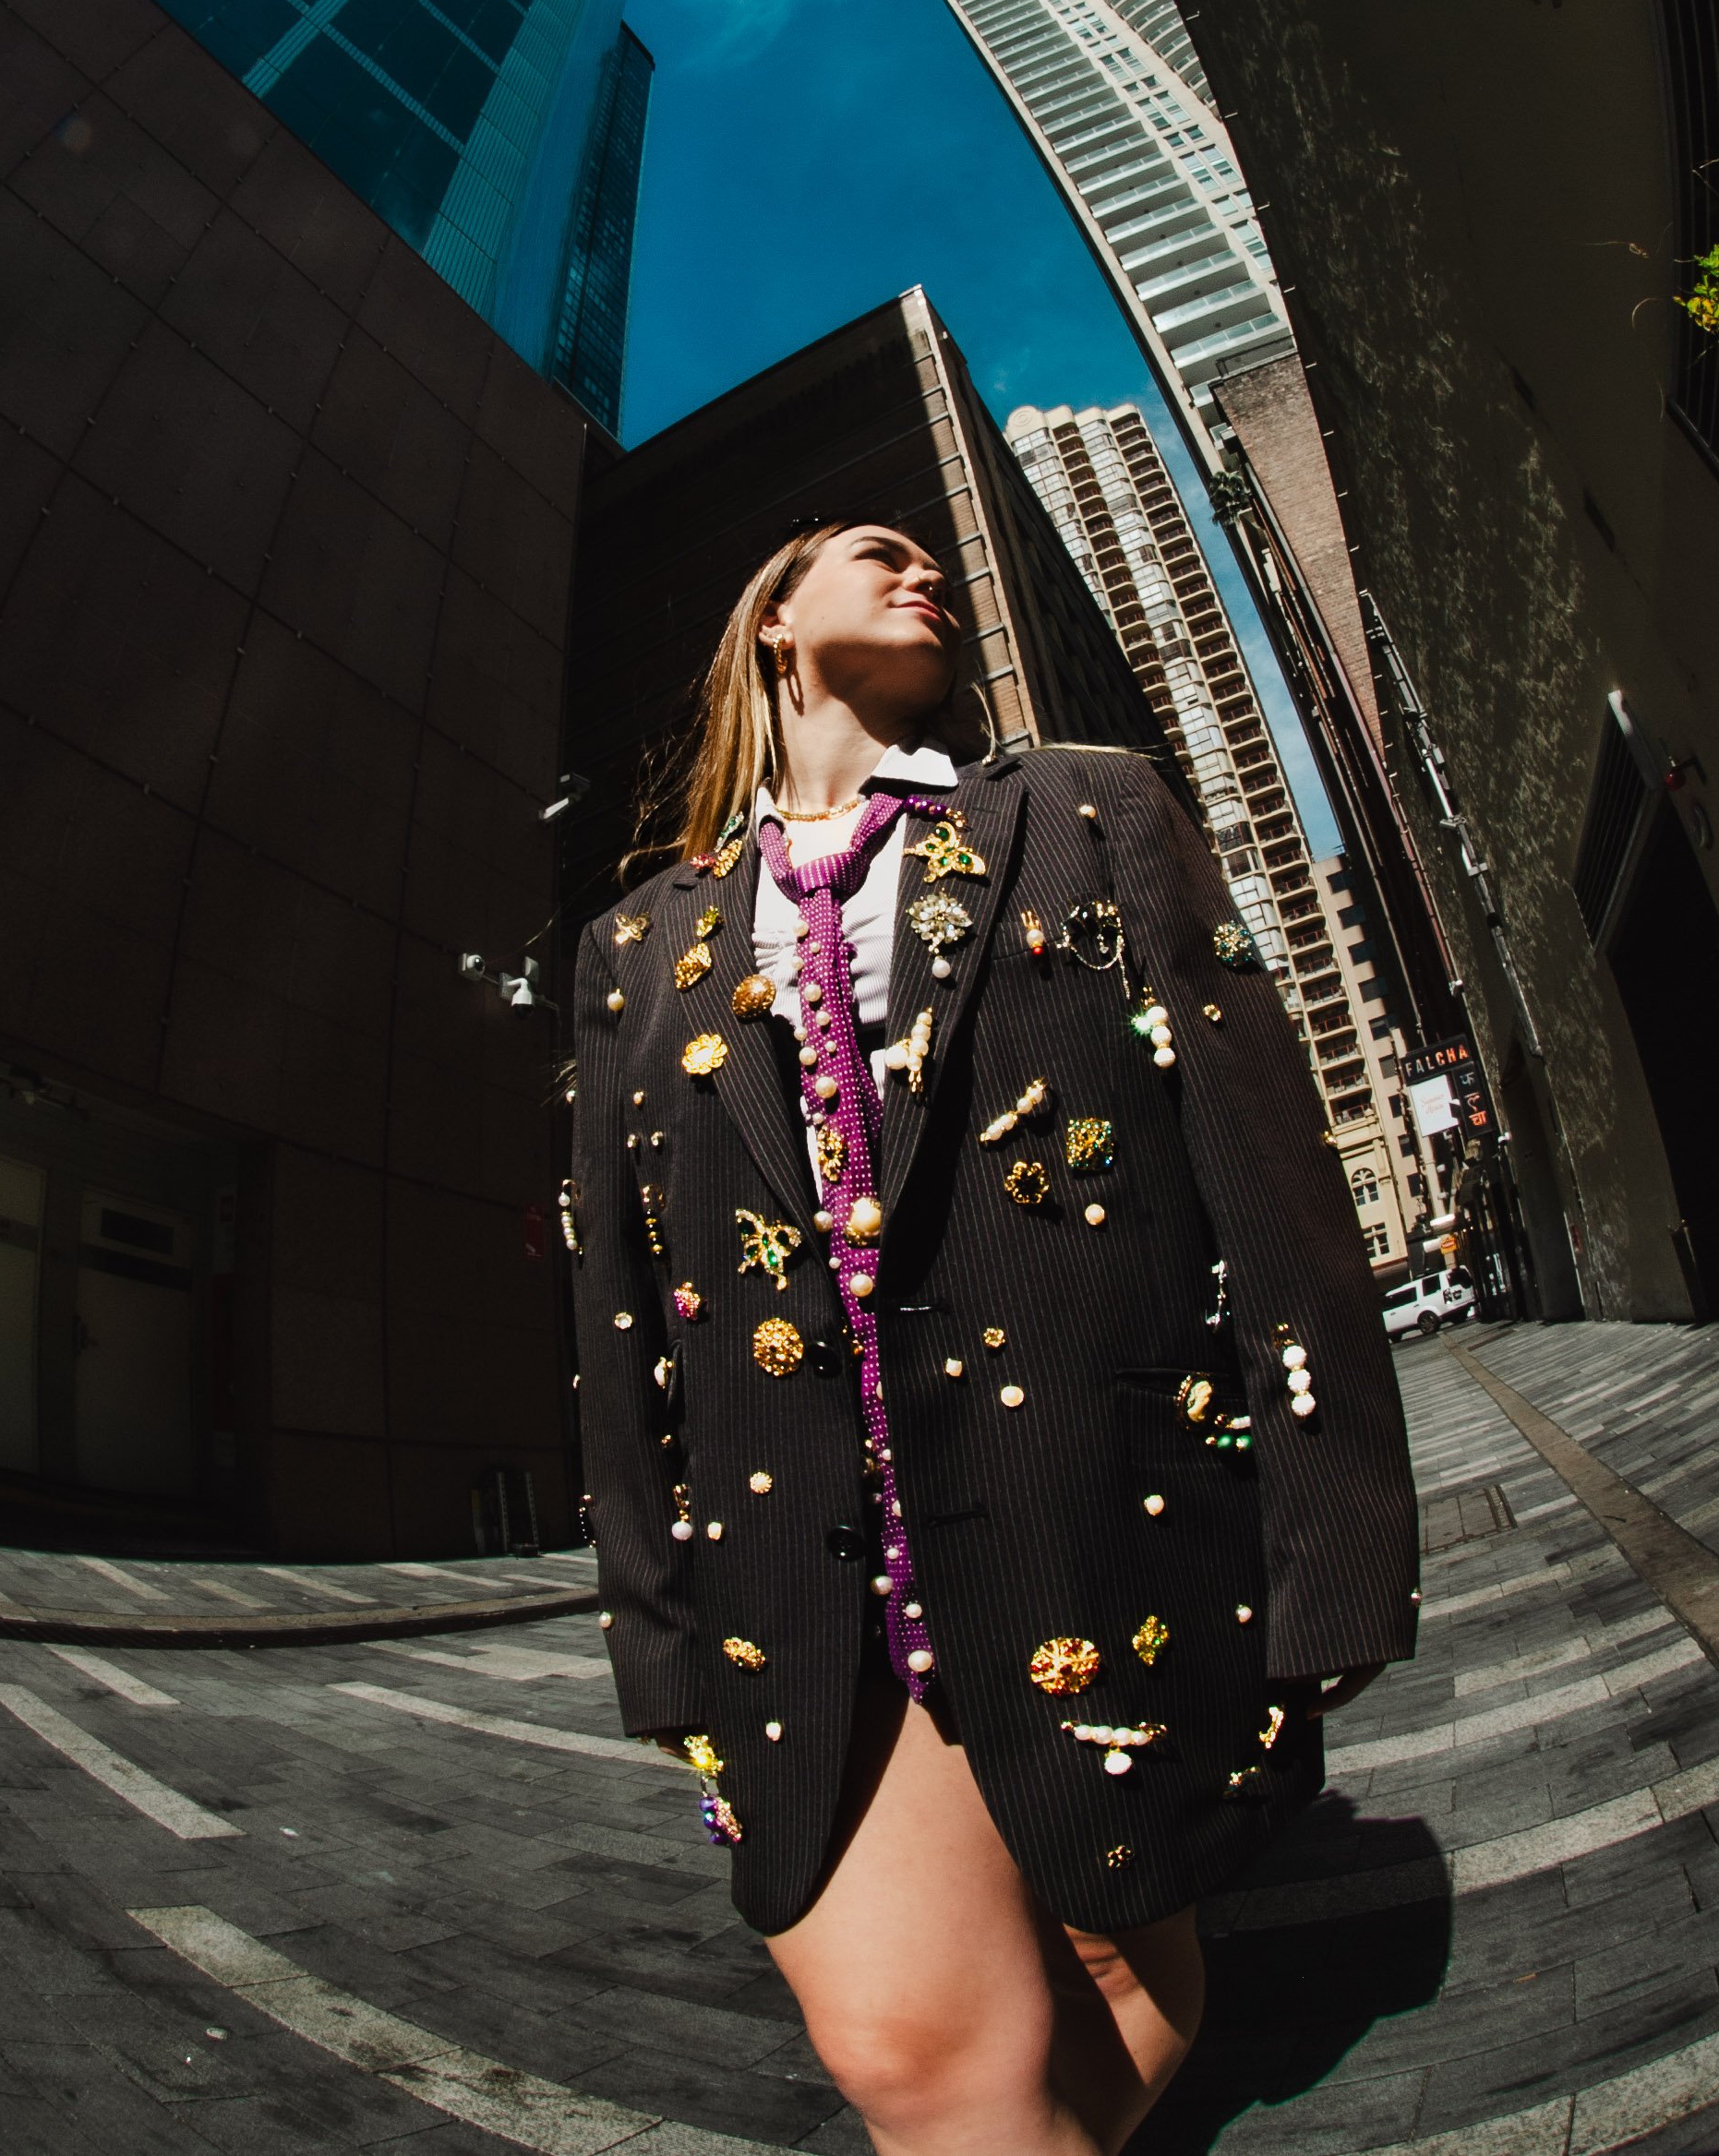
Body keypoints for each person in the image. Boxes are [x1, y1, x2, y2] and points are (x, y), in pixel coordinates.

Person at [566, 521, 1418, 2156]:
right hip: (794, 1579)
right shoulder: (632, 946)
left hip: (1090, 1526)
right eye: (869, 554)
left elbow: (1274, 1183)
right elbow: (615, 1315)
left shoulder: (1085, 812)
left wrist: (1334, 1543)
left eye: (928, 560)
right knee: (907, 2052)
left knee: (1124, 1966)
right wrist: (654, 1630)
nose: (921, 571)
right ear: (770, 624)